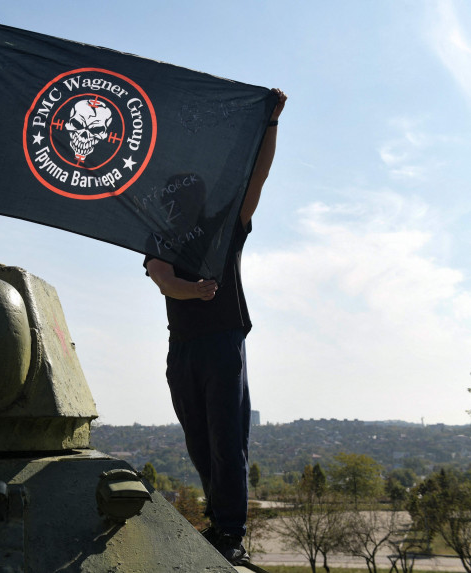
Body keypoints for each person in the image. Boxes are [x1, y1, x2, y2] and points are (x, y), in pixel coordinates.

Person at [144, 88, 287, 564]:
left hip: (224, 342)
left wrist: (270, 123)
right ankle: (219, 521)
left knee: (228, 440)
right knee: (200, 443)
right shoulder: (161, 236)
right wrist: (193, 290)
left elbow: (257, 176)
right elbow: (162, 279)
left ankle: (231, 532)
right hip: (182, 349)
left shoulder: (225, 226)